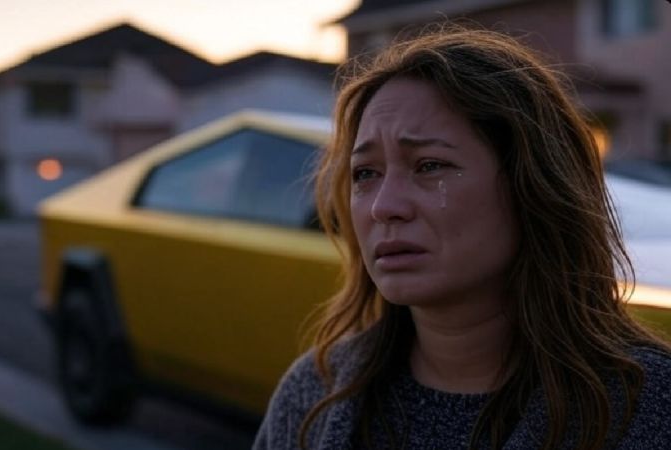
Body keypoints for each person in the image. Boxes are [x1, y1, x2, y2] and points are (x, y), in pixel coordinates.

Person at [253, 24, 671, 450]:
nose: (383, 206)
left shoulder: (648, 409)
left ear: (532, 185)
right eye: (365, 174)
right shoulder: (314, 396)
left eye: (429, 165)